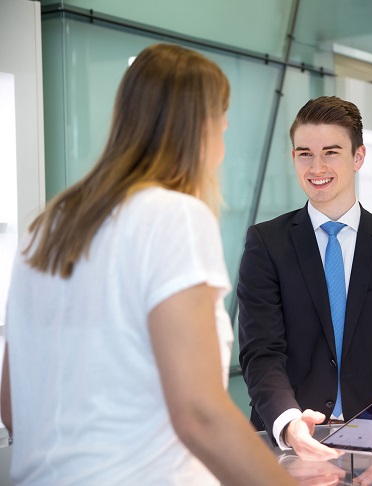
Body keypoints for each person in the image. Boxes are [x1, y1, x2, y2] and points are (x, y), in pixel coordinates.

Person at [0, 43, 295, 485]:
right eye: (221, 120)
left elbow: (11, 401)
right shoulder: (174, 216)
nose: (224, 134)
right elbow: (200, 414)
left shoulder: (45, 227)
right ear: (198, 128)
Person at [238, 95, 372, 461]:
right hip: (288, 446)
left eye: (331, 152)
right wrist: (288, 422)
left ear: (358, 157)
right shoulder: (266, 243)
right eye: (304, 153)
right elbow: (261, 353)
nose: (316, 167)